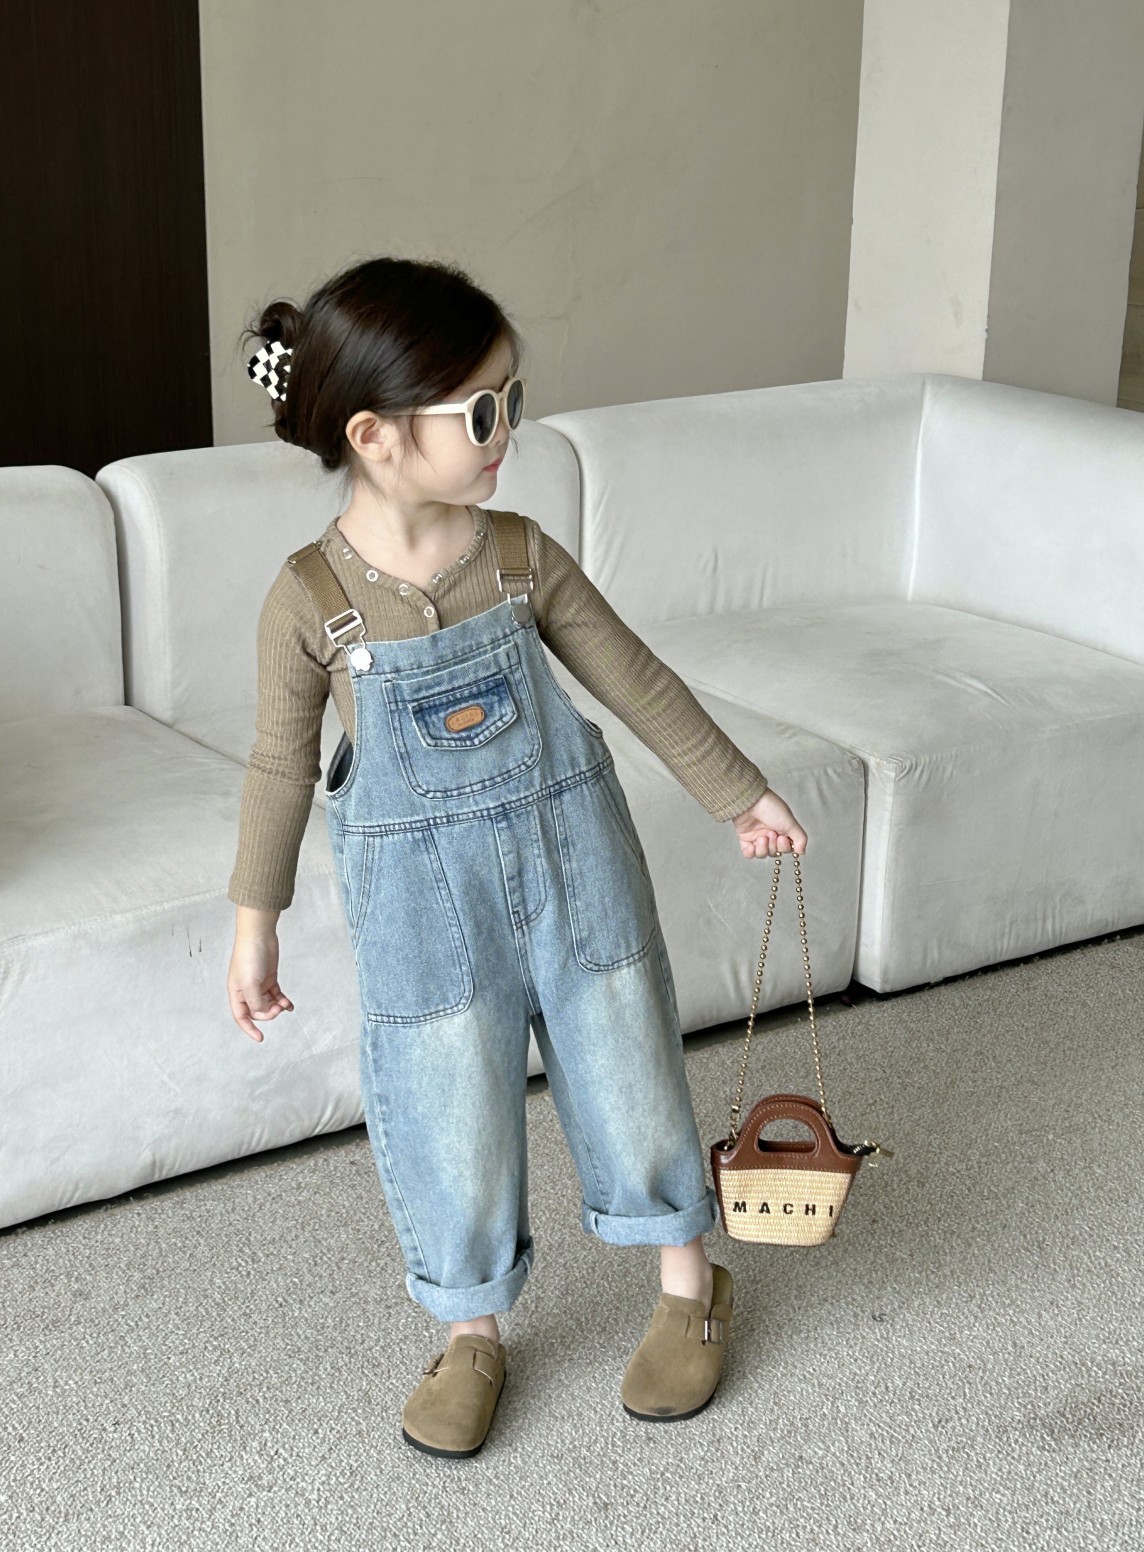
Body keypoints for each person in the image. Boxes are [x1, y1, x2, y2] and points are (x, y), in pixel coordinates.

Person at [225, 256, 808, 1459]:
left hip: (572, 867)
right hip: (421, 909)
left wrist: (738, 792)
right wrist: (254, 923)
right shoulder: (309, 601)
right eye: (483, 411)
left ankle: (689, 1286)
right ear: (377, 436)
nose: (509, 430)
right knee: (446, 1099)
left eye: (513, 399)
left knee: (625, 1057)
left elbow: (634, 677)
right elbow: (280, 766)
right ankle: (471, 1329)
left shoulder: (520, 556)